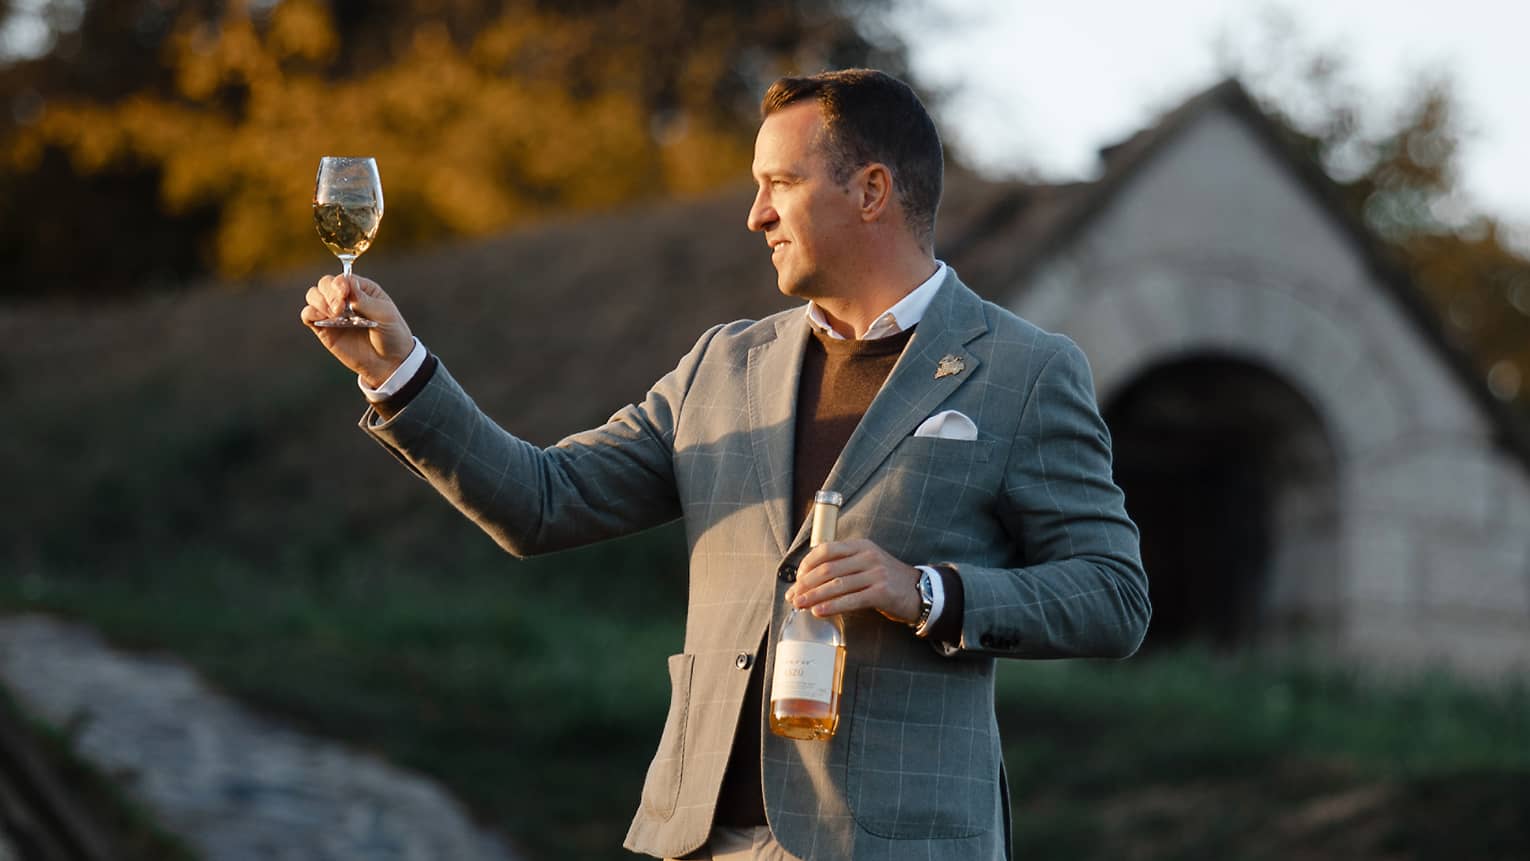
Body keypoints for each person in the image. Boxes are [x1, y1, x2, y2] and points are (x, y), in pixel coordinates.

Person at [301, 69, 1149, 861]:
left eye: (779, 183)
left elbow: (1115, 595)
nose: (755, 215)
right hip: (701, 840)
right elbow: (541, 501)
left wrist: (926, 590)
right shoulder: (722, 365)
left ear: (871, 191)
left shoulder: (1025, 368)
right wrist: (397, 370)